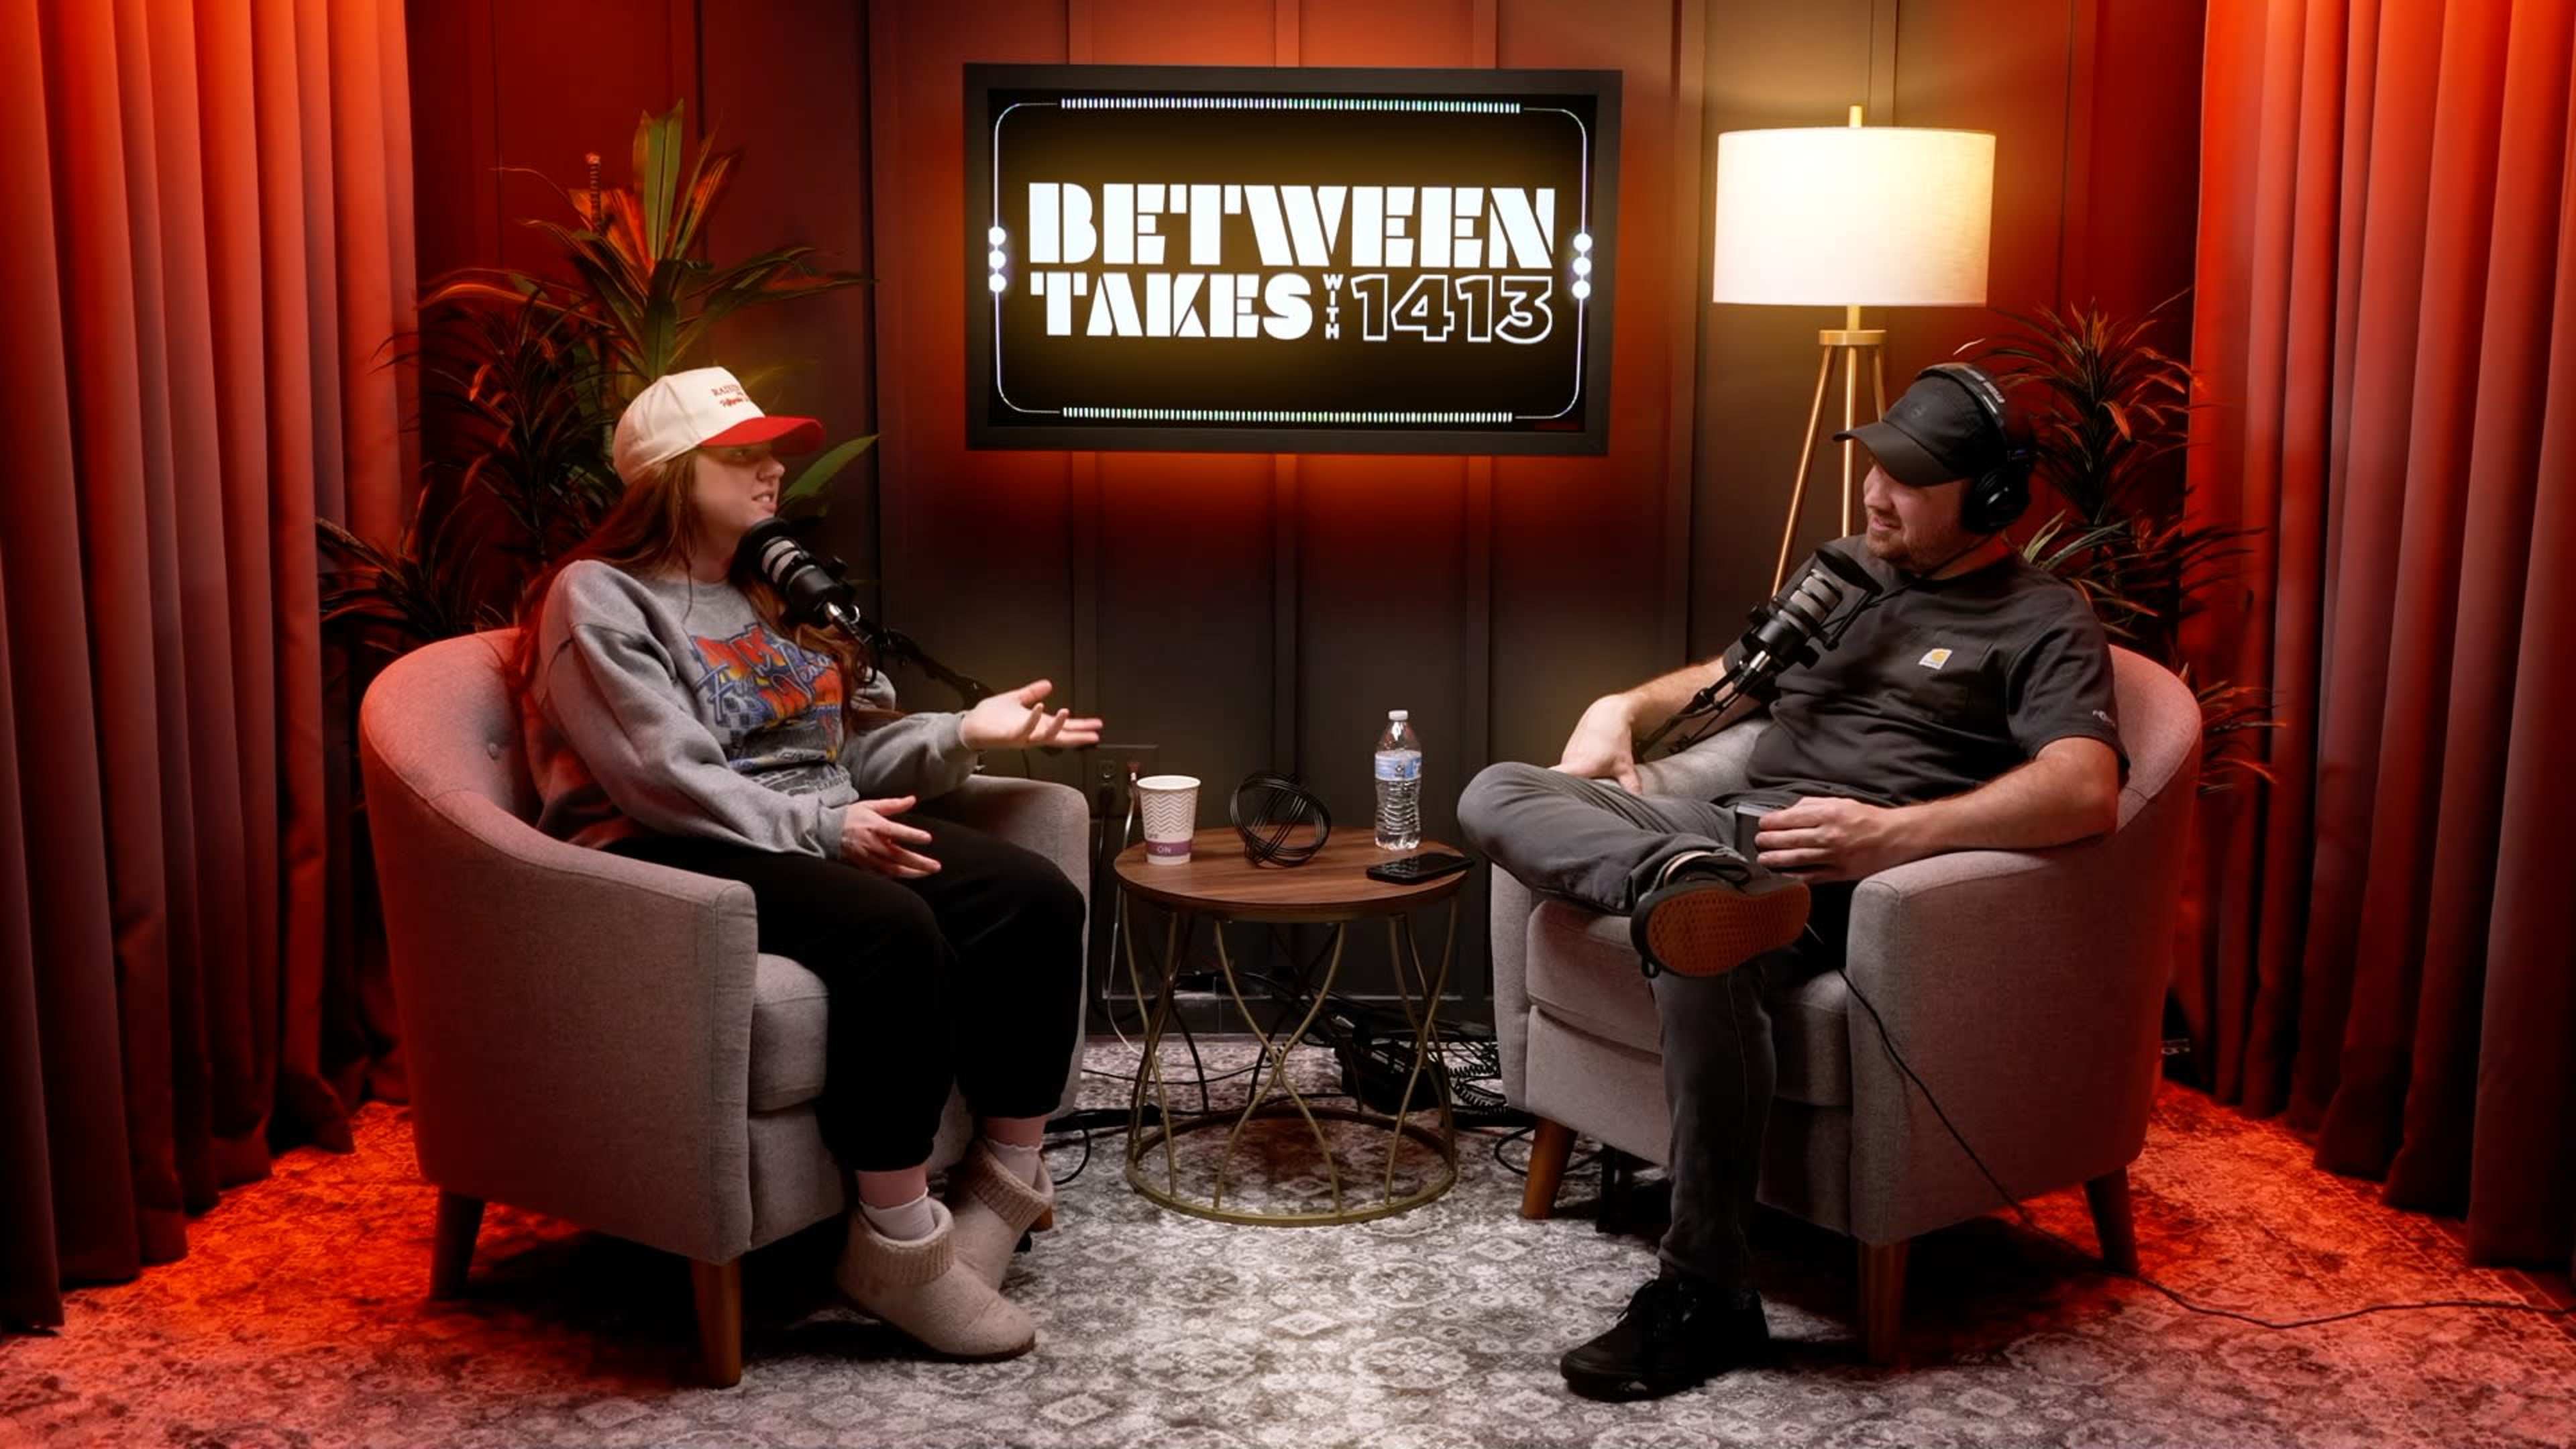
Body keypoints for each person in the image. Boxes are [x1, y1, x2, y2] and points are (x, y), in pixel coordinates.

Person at [1457, 363, 2128, 1401]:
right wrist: (1621, 707)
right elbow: (1726, 685)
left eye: (1909, 479)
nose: (1875, 494)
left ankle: (1707, 1291)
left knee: (1702, 943)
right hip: (1723, 836)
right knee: (1498, 790)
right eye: (1874, 466)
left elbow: (2086, 789)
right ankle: (1681, 876)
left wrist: (1891, 839)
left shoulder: (2042, 621)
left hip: (1849, 877)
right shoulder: (1851, 575)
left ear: (1990, 500)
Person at [515, 366, 1100, 1362]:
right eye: (742, 454)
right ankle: (898, 1243)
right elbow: (663, 776)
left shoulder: (764, 594)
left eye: (772, 450)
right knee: (888, 930)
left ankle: (1007, 1182)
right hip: (677, 849)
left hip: (806, 823)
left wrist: (963, 731)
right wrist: (827, 834)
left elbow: (837, 761)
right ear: (667, 474)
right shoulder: (599, 597)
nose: (773, 469)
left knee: (1031, 896)